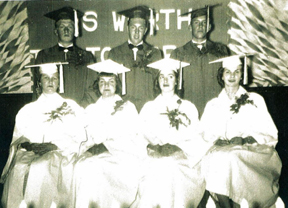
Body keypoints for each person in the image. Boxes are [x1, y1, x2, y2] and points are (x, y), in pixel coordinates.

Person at [0, 63, 86, 208]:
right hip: (32, 151)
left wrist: (54, 145)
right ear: (40, 82)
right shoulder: (28, 109)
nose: (51, 82)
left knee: (39, 168)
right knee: (19, 167)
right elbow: (19, 137)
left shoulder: (70, 106)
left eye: (54, 78)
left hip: (60, 152)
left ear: (59, 82)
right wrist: (29, 145)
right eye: (46, 78)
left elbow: (77, 137)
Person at [200, 55, 282, 207]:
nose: (232, 76)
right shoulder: (213, 104)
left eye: (236, 72)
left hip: (250, 152)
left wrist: (246, 139)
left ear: (242, 75)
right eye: (227, 72)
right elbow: (202, 133)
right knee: (218, 158)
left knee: (230, 157)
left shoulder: (255, 99)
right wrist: (215, 140)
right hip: (221, 151)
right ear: (221, 75)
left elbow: (271, 133)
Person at [130, 58, 209, 208]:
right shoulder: (149, 107)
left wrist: (178, 148)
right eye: (161, 77)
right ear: (157, 81)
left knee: (170, 165)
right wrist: (151, 147)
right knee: (159, 166)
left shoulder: (188, 107)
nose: (165, 80)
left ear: (177, 81)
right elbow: (138, 135)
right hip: (153, 157)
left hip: (182, 159)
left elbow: (196, 137)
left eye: (170, 76)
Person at [73, 60, 144, 208]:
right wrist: (88, 147)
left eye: (111, 81)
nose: (106, 86)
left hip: (121, 156)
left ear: (117, 84)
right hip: (94, 155)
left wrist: (108, 145)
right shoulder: (91, 109)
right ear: (97, 85)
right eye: (102, 82)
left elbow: (133, 136)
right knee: (83, 167)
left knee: (98, 167)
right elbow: (84, 136)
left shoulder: (127, 107)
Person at [170, 5, 229, 117]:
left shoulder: (220, 51)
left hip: (215, 112)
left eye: (204, 22)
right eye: (196, 22)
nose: (200, 26)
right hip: (188, 112)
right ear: (190, 27)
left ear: (209, 27)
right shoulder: (179, 53)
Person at [33, 6, 96, 106]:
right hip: (51, 113)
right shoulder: (44, 55)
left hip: (79, 112)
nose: (66, 30)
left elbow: (92, 88)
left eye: (70, 27)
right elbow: (38, 88)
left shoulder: (86, 56)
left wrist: (79, 109)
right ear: (56, 31)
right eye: (62, 27)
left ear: (75, 30)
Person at [108, 5, 163, 112]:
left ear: (146, 30)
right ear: (127, 27)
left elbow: (158, 85)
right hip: (122, 110)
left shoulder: (155, 54)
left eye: (140, 28)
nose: (137, 32)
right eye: (133, 27)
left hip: (148, 109)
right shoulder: (114, 53)